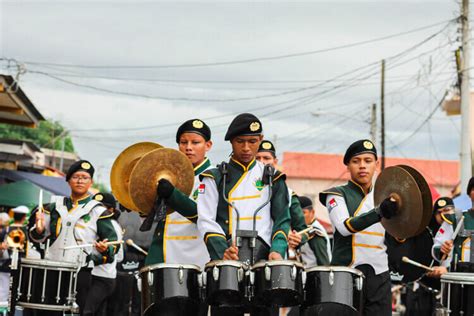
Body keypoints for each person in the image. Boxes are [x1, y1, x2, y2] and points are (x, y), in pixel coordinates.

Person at [197, 113, 291, 264]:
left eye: (252, 141)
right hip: (227, 260)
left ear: (260, 139)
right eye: (240, 141)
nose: (246, 148)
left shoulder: (274, 177)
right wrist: (223, 252)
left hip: (264, 260)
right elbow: (205, 220)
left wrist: (277, 249)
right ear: (231, 142)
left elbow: (282, 219)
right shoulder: (214, 177)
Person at [29, 160, 119, 315]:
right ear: (68, 180)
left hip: (80, 271)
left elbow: (113, 244)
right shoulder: (53, 207)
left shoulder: (98, 211)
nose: (80, 180)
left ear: (91, 182)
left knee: (76, 312)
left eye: (85, 177)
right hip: (52, 268)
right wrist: (38, 230)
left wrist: (105, 249)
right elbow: (36, 238)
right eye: (76, 176)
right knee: (48, 311)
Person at [319, 139, 397, 316]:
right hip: (345, 273)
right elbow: (345, 226)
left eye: (368, 161)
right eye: (356, 161)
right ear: (347, 165)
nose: (362, 166)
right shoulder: (336, 194)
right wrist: (379, 212)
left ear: (377, 165)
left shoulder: (386, 195)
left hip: (380, 275)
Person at [144, 119, 212, 269]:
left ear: (208, 145)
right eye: (183, 142)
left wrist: (172, 195)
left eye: (195, 142)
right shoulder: (167, 174)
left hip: (197, 253)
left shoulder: (214, 176)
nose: (188, 148)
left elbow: (203, 215)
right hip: (165, 250)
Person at [89, 192, 123, 316]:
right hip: (97, 276)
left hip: (102, 277)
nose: (98, 211)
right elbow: (120, 258)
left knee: (86, 311)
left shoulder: (113, 226)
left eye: (102, 208)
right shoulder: (92, 223)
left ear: (111, 210)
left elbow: (116, 256)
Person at [295, 196, 331, 266]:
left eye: (303, 212)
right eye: (296, 213)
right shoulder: (302, 229)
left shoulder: (316, 232)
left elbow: (324, 264)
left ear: (312, 212)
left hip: (316, 275)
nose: (299, 216)